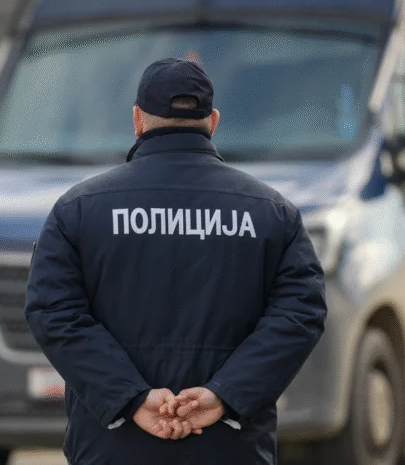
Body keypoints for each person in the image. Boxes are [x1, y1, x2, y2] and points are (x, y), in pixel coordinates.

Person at [25, 58, 327, 465]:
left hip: (110, 448)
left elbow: (52, 312)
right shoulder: (272, 213)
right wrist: (225, 395)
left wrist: (131, 398)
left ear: (138, 120)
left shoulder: (78, 210)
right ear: (213, 122)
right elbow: (300, 314)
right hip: (231, 449)